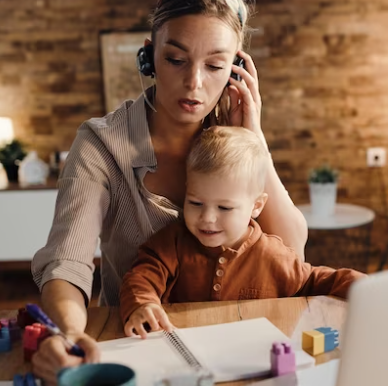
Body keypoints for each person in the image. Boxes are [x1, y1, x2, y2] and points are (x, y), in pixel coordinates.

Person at [30, 0, 308, 386]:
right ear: (149, 56)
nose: (194, 82)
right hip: (139, 346)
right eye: (176, 59)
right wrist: (67, 334)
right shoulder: (101, 144)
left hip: (240, 346)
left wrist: (254, 138)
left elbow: (290, 250)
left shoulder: (235, 138)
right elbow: (68, 263)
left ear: (236, 69)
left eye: (215, 66)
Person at [121, 126, 364, 338]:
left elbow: (315, 281)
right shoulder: (171, 243)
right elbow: (141, 277)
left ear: (256, 206)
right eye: (195, 203)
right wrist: (143, 305)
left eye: (224, 207)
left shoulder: (274, 256)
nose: (207, 218)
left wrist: (366, 289)